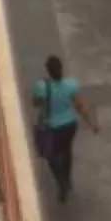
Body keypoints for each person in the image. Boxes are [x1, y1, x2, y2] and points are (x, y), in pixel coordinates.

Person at [31, 54, 95, 203]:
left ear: (48, 70)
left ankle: (61, 181)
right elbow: (80, 106)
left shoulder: (41, 87)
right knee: (66, 151)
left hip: (52, 127)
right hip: (70, 125)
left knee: (51, 155)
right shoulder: (71, 84)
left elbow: (35, 103)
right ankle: (67, 178)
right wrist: (92, 123)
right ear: (61, 69)